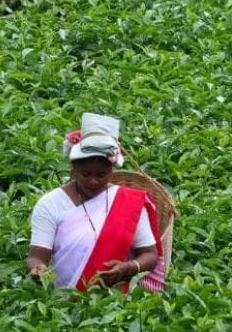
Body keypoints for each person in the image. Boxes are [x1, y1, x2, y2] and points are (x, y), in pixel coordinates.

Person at [26, 114, 167, 292]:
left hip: (116, 301)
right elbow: (36, 257)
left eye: (101, 175)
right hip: (63, 300)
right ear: (74, 170)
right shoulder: (50, 204)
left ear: (111, 171)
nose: (93, 181)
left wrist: (129, 268)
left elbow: (149, 255)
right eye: (86, 174)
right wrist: (38, 269)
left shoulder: (129, 202)